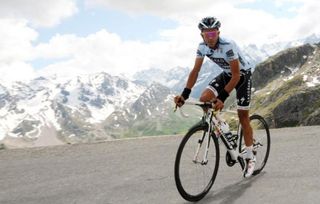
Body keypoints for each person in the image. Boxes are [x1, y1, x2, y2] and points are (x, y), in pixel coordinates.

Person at [174, 16, 255, 178]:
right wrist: (184, 95)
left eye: (213, 34)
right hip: (227, 74)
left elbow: (237, 75)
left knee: (243, 117)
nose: (210, 38)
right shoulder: (202, 47)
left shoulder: (228, 45)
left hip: (242, 76)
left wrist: (222, 98)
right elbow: (195, 71)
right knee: (204, 99)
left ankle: (250, 157)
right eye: (206, 34)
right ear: (202, 35)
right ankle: (223, 128)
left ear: (218, 33)